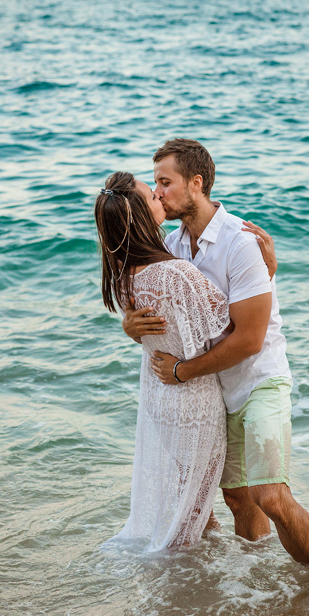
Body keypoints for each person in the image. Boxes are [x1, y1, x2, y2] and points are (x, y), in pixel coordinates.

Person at [122, 139, 309, 567]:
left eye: (166, 182)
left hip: (258, 380)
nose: (157, 193)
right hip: (216, 391)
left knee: (270, 496)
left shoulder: (241, 242)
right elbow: (157, 315)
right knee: (237, 499)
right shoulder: (174, 247)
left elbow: (250, 339)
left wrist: (183, 371)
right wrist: (129, 325)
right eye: (155, 184)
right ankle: (254, 586)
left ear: (196, 183)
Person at [94, 171, 231, 552]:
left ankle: (206, 569)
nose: (158, 195)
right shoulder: (175, 273)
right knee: (196, 504)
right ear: (139, 217)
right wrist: (266, 270)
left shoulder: (123, 277)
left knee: (195, 497)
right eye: (151, 197)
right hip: (192, 400)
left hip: (160, 398)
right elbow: (229, 322)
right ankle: (171, 577)